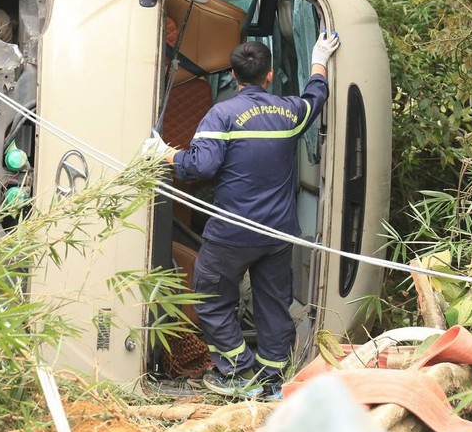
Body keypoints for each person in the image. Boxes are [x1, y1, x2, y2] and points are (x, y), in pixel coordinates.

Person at [142, 32, 341, 400]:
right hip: (278, 234)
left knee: (210, 298)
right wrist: (319, 59)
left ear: (234, 76)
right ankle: (272, 380)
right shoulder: (290, 112)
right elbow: (316, 95)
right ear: (270, 75)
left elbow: (200, 167)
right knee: (273, 305)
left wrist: (164, 153)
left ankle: (236, 370)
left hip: (232, 234)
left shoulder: (222, 115)